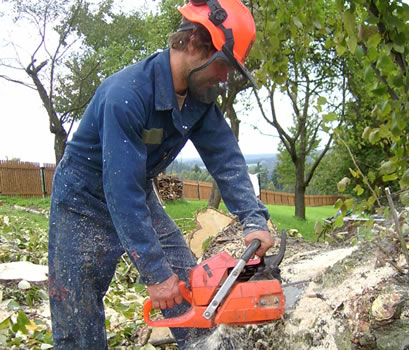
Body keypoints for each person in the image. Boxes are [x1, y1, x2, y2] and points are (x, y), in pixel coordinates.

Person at [48, 0, 274, 348]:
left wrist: (253, 217)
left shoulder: (199, 97)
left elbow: (225, 157)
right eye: (225, 64)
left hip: (136, 194)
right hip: (83, 202)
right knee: (78, 321)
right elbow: (119, 189)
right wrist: (154, 272)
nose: (225, 75)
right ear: (196, 44)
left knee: (194, 294)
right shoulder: (126, 96)